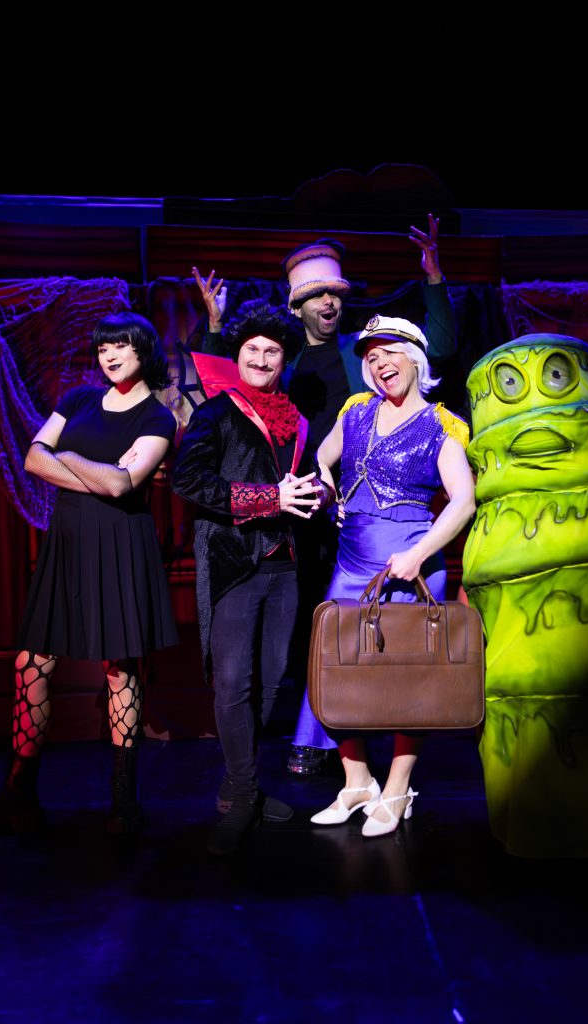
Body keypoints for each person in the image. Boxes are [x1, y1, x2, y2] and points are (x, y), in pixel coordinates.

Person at [192, 216, 459, 774]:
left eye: (335, 293)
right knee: (308, 624)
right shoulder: (280, 358)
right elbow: (225, 385)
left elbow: (436, 349)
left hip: (357, 511)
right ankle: (317, 732)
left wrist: (433, 277)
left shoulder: (363, 354)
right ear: (297, 306)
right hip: (291, 503)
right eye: (316, 295)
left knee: (363, 623)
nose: (329, 302)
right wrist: (215, 327)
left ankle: (352, 735)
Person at [0, 312, 178, 836]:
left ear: (144, 350)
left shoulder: (158, 417)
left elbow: (121, 486)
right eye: (102, 348)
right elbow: (33, 460)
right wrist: (91, 468)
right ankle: (19, 791)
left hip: (119, 544)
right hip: (68, 543)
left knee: (119, 669)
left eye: (120, 345)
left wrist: (67, 455)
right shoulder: (77, 400)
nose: (109, 355)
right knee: (31, 663)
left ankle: (123, 797)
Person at [171, 299, 333, 855]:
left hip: (286, 564)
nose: (262, 359)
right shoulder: (215, 413)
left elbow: (299, 483)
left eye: (272, 351)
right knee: (234, 682)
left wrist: (317, 493)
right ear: (237, 356)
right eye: (252, 350)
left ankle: (238, 787)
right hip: (234, 561)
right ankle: (243, 795)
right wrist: (268, 498)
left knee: (269, 683)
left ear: (284, 358)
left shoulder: (296, 419)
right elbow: (188, 481)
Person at [306, 314, 475, 836]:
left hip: (408, 565)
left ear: (416, 359)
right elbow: (322, 455)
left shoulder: (443, 425)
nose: (379, 364)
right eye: (371, 357)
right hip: (351, 563)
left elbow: (463, 502)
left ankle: (399, 787)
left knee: (407, 680)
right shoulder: (356, 411)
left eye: (389, 352)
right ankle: (357, 781)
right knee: (337, 671)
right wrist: (327, 484)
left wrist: (419, 554)